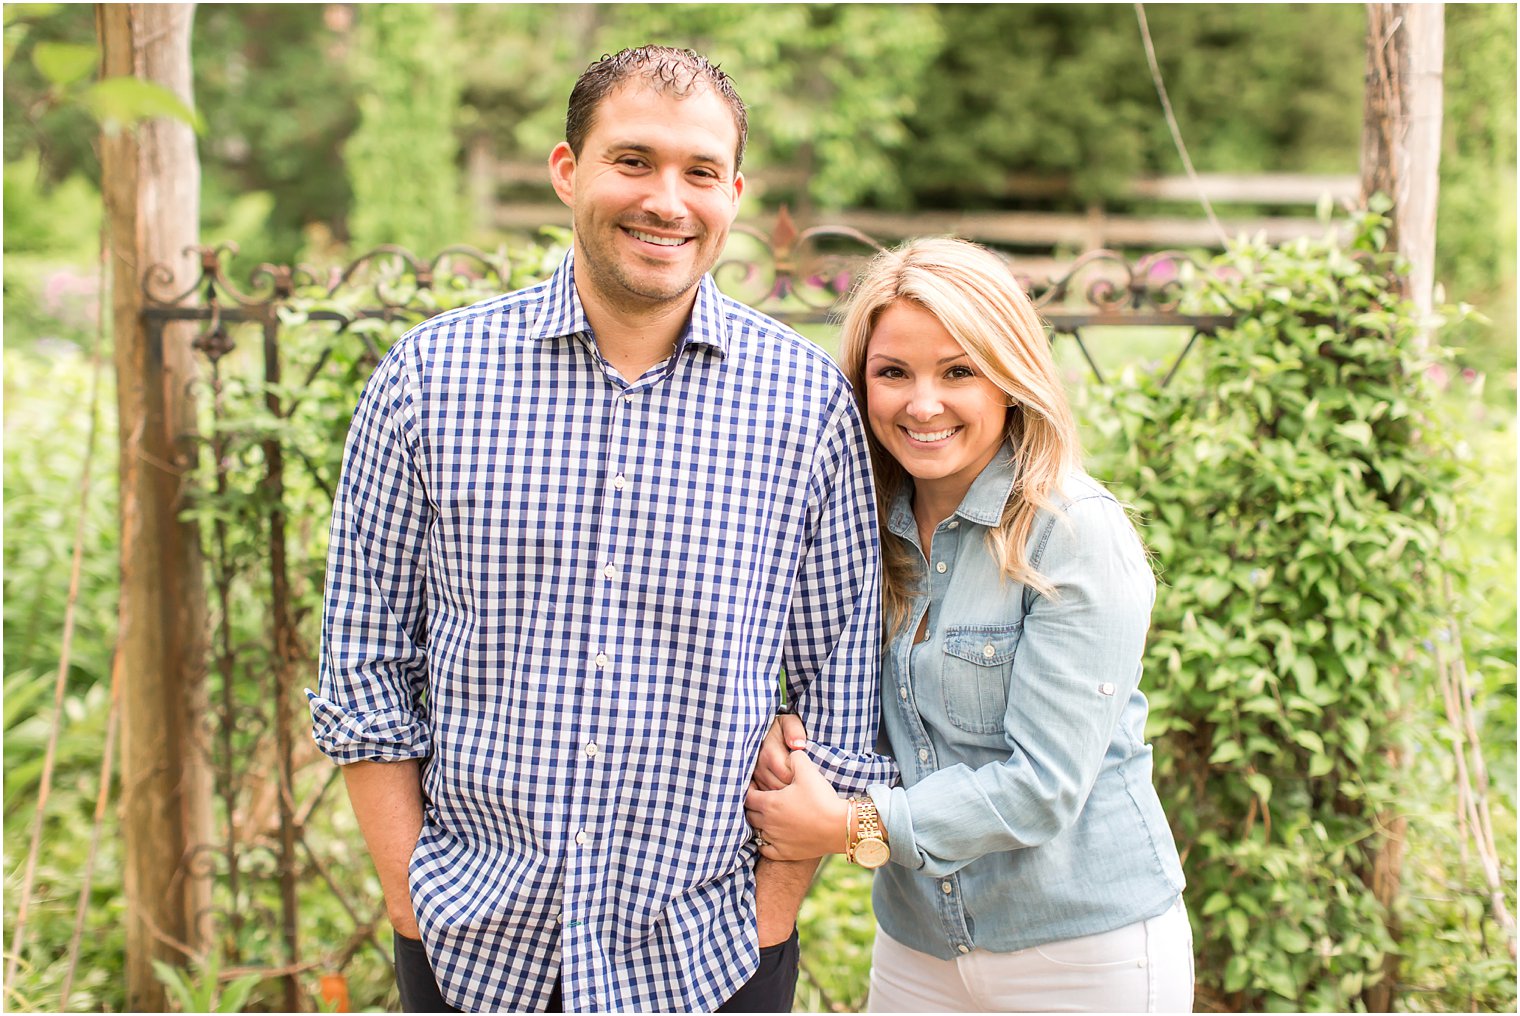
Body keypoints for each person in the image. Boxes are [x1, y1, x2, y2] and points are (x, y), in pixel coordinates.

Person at [308, 45, 895, 1014]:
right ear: (565, 170)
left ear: (735, 194)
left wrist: (768, 912)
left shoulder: (802, 407)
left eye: (699, 171)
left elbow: (840, 676)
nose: (667, 198)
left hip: (710, 954)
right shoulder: (428, 381)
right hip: (473, 944)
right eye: (632, 160)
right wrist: (410, 901)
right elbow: (364, 660)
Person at [745, 237, 1193, 1012]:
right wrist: (785, 729)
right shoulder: (858, 531)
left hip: (1083, 954)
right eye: (893, 373)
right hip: (920, 950)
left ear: (1011, 377)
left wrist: (849, 825)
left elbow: (1043, 788)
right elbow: (831, 694)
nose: (923, 403)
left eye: (959, 370)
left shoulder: (1070, 532)